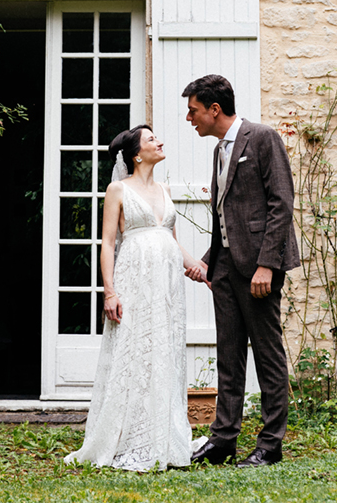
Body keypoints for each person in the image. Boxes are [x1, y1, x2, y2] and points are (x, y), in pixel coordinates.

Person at [64, 124, 206, 471]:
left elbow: (171, 241)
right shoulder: (118, 190)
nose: (160, 141)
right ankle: (128, 436)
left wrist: (201, 269)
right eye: (151, 139)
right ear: (136, 155)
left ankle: (163, 433)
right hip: (134, 280)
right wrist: (110, 291)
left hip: (166, 287)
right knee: (134, 351)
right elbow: (108, 244)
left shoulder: (165, 189)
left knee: (163, 352)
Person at [182, 74, 300, 468]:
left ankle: (270, 444)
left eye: (193, 110)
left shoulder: (262, 138)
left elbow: (281, 204)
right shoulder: (219, 150)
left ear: (214, 109)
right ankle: (223, 440)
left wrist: (267, 265)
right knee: (228, 355)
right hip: (226, 269)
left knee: (267, 356)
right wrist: (208, 260)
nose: (189, 118)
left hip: (259, 270)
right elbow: (227, 216)